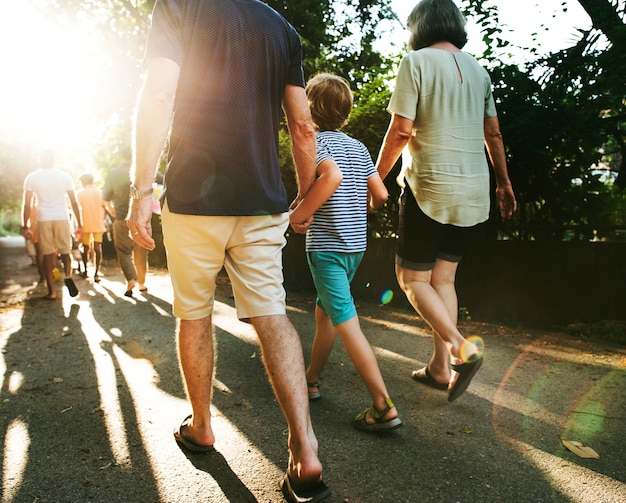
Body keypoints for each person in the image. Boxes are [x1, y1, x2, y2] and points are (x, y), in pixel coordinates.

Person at [126, 1, 329, 502]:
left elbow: (159, 93)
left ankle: (202, 427)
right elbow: (303, 125)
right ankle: (305, 450)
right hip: (262, 200)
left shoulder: (178, 6)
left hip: (194, 199)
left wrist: (140, 192)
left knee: (193, 314)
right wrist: (303, 197)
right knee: (271, 314)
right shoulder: (280, 27)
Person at [374, 0, 517, 402]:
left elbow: (401, 130)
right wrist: (504, 184)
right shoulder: (478, 69)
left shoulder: (415, 61)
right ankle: (439, 368)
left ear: (419, 26)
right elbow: (494, 135)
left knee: (411, 279)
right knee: (443, 279)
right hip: (473, 190)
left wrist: (375, 177)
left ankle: (459, 347)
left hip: (429, 187)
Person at [289, 73, 400, 433]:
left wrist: (299, 215)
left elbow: (330, 178)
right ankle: (311, 379)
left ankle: (382, 406)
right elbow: (381, 196)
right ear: (346, 112)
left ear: (311, 107)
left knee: (346, 323)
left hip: (327, 250)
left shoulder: (314, 143)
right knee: (326, 316)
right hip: (355, 248)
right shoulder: (359, 148)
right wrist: (357, 209)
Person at [21, 150, 81, 300]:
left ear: (39, 160)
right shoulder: (64, 176)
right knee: (65, 251)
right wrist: (80, 224)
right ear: (55, 160)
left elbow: (27, 205)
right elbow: (74, 202)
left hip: (43, 218)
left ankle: (52, 292)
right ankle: (67, 275)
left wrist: (25, 225)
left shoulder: (32, 178)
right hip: (61, 216)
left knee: (47, 254)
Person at [102, 148, 149, 297]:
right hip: (142, 217)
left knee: (123, 251)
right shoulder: (142, 170)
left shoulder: (113, 174)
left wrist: (113, 213)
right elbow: (160, 184)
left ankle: (130, 281)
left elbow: (105, 200)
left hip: (121, 217)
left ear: (120, 157)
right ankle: (142, 284)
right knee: (141, 249)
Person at [76, 173, 106, 282]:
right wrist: (102, 219)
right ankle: (97, 273)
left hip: (85, 224)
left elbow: (77, 209)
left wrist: (78, 225)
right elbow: (106, 207)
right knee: (98, 248)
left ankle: (86, 271)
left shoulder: (80, 193)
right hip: (98, 223)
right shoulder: (100, 193)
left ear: (83, 181)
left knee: (85, 248)